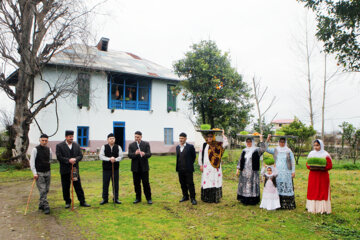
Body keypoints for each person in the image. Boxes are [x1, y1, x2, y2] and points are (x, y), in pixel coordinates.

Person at [56, 130, 90, 208]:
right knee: (66, 186)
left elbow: (80, 156)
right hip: (65, 170)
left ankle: (82, 201)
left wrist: (75, 159)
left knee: (78, 185)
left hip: (74, 170)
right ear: (66, 137)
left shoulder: (76, 145)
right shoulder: (59, 146)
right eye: (70, 137)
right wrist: (68, 160)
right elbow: (59, 157)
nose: (71, 138)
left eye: (72, 136)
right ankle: (67, 202)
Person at [265, 135, 296, 210]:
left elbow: (292, 161)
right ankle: (277, 204)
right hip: (277, 171)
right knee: (277, 186)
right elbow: (265, 149)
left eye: (283, 142)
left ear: (285, 142)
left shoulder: (288, 151)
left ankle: (287, 204)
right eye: (280, 142)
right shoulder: (276, 150)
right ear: (278, 142)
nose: (282, 143)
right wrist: (268, 139)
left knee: (285, 186)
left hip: (286, 172)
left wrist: (293, 171)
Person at [198, 131, 228, 203]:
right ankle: (207, 198)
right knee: (207, 181)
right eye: (208, 136)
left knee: (214, 181)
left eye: (211, 136)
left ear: (213, 137)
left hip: (215, 168)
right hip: (206, 168)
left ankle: (215, 198)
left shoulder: (217, 144)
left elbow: (226, 144)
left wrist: (222, 134)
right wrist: (201, 165)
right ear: (206, 137)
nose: (209, 138)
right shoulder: (204, 145)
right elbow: (200, 155)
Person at [236, 135, 266, 205]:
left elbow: (263, 149)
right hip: (244, 171)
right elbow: (240, 160)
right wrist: (238, 169)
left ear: (252, 142)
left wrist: (261, 139)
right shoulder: (244, 150)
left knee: (252, 184)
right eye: (247, 141)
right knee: (245, 184)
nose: (248, 143)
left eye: (250, 141)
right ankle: (244, 198)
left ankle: (252, 199)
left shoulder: (256, 150)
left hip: (253, 171)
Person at [306, 139, 332, 214]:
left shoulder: (325, 154)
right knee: (313, 190)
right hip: (313, 175)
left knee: (322, 190)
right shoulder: (311, 154)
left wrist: (322, 167)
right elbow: (307, 164)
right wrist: (312, 167)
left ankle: (322, 209)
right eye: (314, 145)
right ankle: (312, 208)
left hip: (322, 176)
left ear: (321, 145)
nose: (316, 147)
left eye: (317, 145)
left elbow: (330, 165)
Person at [29, 134, 52, 214]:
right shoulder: (35, 149)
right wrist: (34, 173)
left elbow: (50, 159)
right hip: (39, 173)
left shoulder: (49, 149)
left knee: (46, 189)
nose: (44, 142)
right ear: (39, 140)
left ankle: (41, 204)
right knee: (42, 190)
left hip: (48, 172)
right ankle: (46, 206)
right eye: (43, 140)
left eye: (46, 140)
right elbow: (32, 162)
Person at [128, 131, 152, 204]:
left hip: (144, 168)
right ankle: (138, 198)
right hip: (135, 168)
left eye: (138, 137)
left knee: (146, 183)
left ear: (141, 137)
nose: (136, 138)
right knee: (136, 184)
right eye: (135, 137)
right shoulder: (131, 145)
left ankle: (148, 198)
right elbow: (129, 155)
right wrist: (135, 153)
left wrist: (144, 154)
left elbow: (149, 154)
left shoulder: (146, 144)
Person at [99, 133, 123, 205]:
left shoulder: (118, 147)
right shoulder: (104, 147)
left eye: (113, 138)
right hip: (106, 169)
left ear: (115, 139)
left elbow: (121, 156)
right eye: (110, 139)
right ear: (107, 140)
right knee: (105, 184)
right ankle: (105, 199)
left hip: (115, 169)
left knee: (115, 184)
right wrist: (109, 159)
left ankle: (116, 198)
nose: (112, 140)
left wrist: (115, 159)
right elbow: (101, 156)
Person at [176, 132, 197, 205]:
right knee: (182, 183)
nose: (180, 140)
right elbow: (178, 157)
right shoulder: (177, 147)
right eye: (180, 138)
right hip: (180, 169)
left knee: (190, 184)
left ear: (185, 139)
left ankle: (193, 198)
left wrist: (189, 164)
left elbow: (193, 157)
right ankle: (185, 196)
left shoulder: (190, 147)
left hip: (188, 169)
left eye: (182, 138)